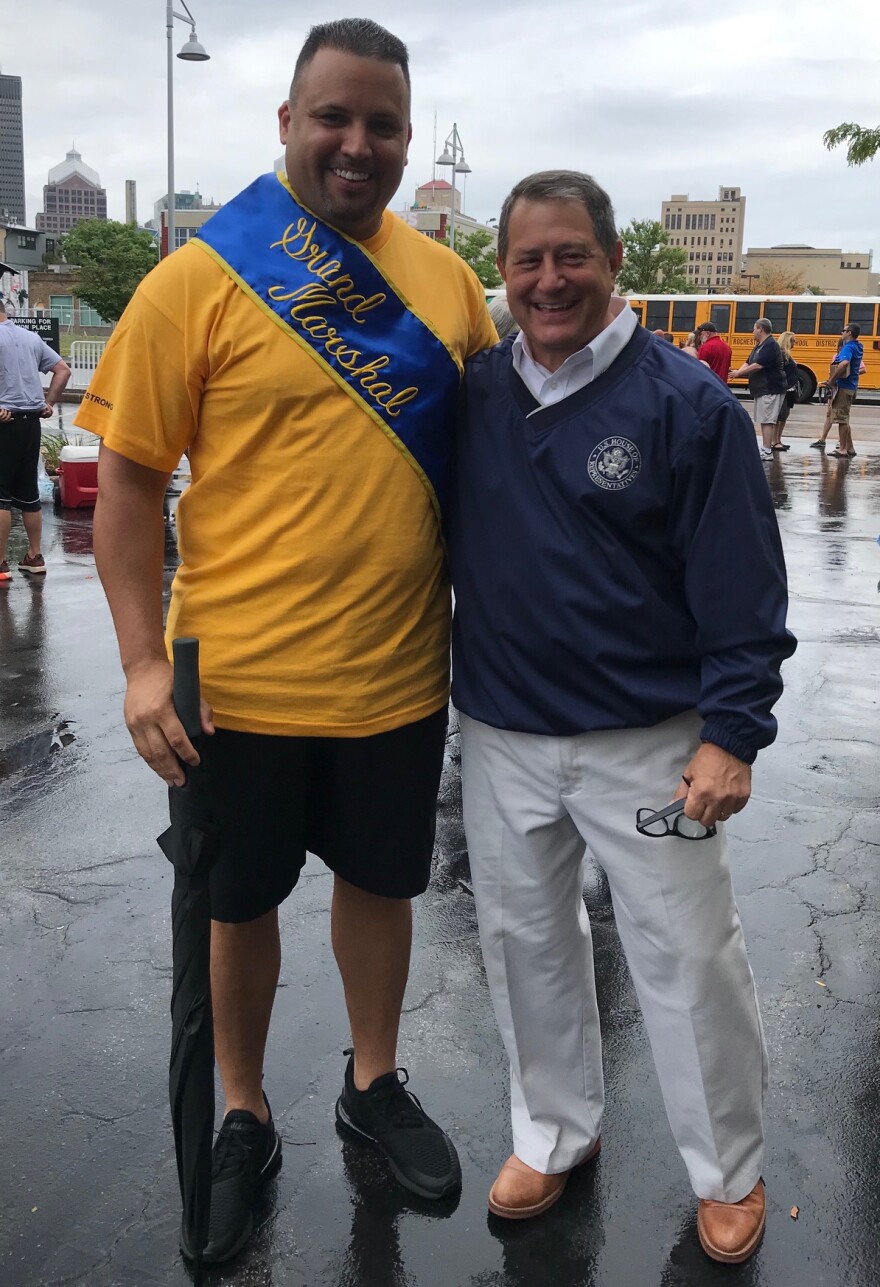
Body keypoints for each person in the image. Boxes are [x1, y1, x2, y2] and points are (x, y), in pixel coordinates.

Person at [76, 18, 495, 1267]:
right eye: (334, 117)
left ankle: (372, 1082)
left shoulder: (447, 286)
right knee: (239, 904)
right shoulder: (196, 281)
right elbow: (133, 484)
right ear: (286, 123)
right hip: (237, 689)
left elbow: (502, 469)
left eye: (382, 124)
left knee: (382, 888)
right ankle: (245, 1112)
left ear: (406, 138)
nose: (357, 144)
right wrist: (145, 662)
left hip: (397, 676)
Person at [448, 170, 795, 1266]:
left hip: (648, 742)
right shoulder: (472, 396)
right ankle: (552, 1133)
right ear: (500, 273)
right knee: (524, 945)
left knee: (688, 961)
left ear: (612, 263)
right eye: (527, 261)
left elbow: (743, 588)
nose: (548, 280)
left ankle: (725, 1171)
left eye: (571, 256)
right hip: (501, 734)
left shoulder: (685, 404)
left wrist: (731, 732)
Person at [0, 300, 71, 581]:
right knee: (28, 493)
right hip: (31, 423)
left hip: (4, 423)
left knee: (0, 495)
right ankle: (34, 556)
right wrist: (49, 403)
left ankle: (1, 563)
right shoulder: (30, 338)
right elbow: (63, 370)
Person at [730, 319, 787, 460]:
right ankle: (765, 447)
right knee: (763, 418)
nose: (752, 331)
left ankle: (767, 450)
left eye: (754, 328)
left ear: (761, 329)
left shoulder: (770, 345)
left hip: (770, 388)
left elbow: (758, 365)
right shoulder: (759, 346)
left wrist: (739, 373)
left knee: (767, 419)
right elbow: (749, 361)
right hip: (762, 388)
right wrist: (737, 372)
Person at [809, 323, 863, 457]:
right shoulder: (858, 346)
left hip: (843, 387)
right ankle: (850, 448)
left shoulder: (848, 347)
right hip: (851, 386)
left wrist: (832, 379)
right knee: (845, 418)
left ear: (849, 333)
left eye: (843, 330)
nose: (841, 333)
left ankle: (843, 449)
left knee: (841, 420)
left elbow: (844, 363)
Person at [771, 331, 799, 451]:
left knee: (784, 415)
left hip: (789, 390)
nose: (795, 343)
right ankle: (774, 441)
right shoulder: (781, 355)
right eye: (793, 340)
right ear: (787, 341)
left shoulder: (787, 355)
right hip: (783, 389)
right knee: (779, 415)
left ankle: (778, 439)